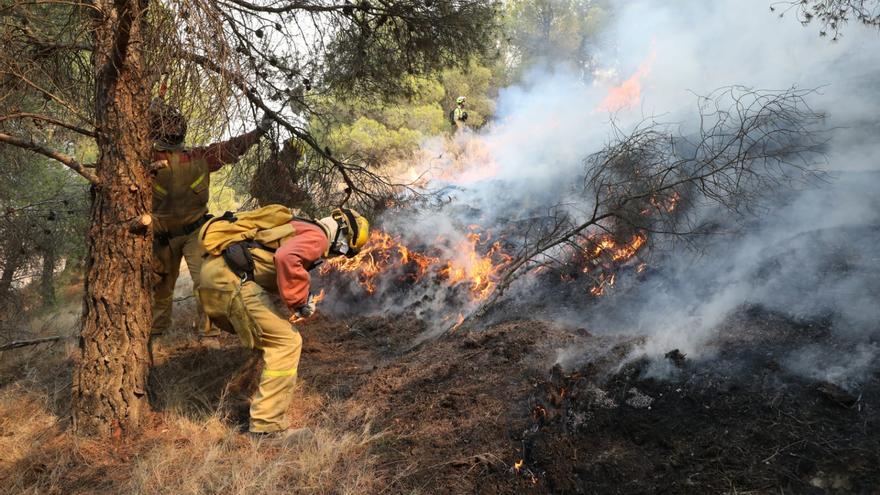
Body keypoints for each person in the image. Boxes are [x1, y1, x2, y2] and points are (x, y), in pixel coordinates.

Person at [197, 205, 369, 439]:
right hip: (231, 282)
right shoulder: (318, 237)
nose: (338, 256)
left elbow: (269, 260)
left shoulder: (299, 227)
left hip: (215, 277)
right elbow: (286, 257)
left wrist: (299, 296)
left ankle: (244, 392)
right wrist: (299, 302)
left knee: (269, 337)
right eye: (344, 251)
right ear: (343, 240)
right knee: (286, 342)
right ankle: (267, 426)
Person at [149, 99, 272, 337]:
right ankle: (154, 340)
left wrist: (259, 131)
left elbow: (232, 147)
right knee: (160, 291)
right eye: (168, 125)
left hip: (195, 232)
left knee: (207, 283)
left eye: (175, 125)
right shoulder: (144, 159)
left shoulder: (198, 157)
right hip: (160, 236)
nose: (173, 130)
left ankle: (209, 336)